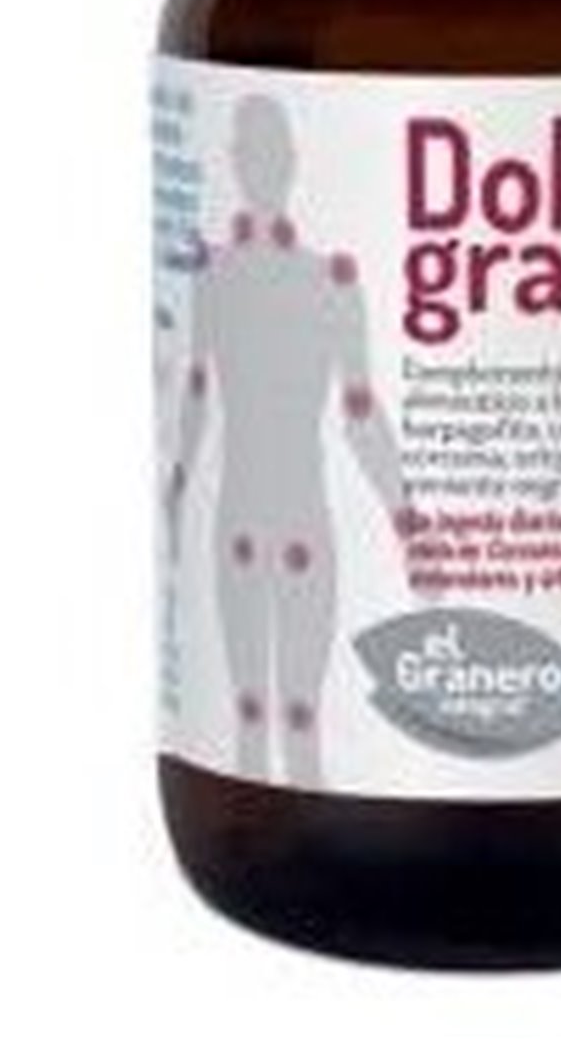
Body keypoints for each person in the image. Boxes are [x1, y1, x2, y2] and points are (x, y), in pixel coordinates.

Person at [165, 94, 407, 787]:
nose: (261, 165)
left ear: (292, 161)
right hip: (241, 519)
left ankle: (301, 806)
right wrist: (174, 500)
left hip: (297, 518)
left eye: (270, 152)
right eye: (251, 151)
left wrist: (407, 522)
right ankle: (266, 824)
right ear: (235, 161)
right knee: (244, 718)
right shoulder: (215, 274)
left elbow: (360, 411)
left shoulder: (328, 279)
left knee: (301, 718)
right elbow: (196, 390)